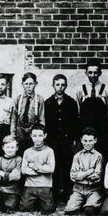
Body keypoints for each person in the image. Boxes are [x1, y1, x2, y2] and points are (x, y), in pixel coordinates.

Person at [45, 74, 79, 203]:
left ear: (66, 86)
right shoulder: (48, 102)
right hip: (53, 140)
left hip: (66, 140)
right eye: (57, 84)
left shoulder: (71, 102)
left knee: (66, 166)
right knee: (55, 166)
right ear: (53, 85)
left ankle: (66, 193)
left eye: (62, 85)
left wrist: (75, 138)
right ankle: (54, 193)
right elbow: (46, 121)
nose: (60, 87)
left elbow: (75, 121)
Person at [76, 59, 108, 160]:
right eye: (90, 72)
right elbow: (78, 110)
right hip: (85, 127)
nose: (93, 75)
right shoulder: (80, 89)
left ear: (100, 73)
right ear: (86, 73)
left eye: (95, 72)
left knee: (102, 153)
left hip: (101, 128)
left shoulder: (106, 89)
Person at [65, 127, 103, 216]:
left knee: (89, 210)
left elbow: (96, 176)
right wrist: (89, 171)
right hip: (78, 189)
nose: (87, 143)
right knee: (70, 210)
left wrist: (81, 174)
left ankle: (90, 203)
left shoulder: (99, 156)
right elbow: (73, 175)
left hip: (93, 189)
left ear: (95, 140)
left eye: (90, 141)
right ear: (81, 140)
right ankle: (80, 202)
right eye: (85, 141)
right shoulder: (77, 156)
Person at [19, 124, 55, 214]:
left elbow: (51, 169)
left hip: (45, 185)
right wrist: (40, 170)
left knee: (48, 210)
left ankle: (43, 202)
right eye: (34, 136)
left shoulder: (49, 151)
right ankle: (34, 202)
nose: (37, 138)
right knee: (25, 208)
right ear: (31, 136)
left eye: (40, 135)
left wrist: (34, 166)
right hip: (30, 185)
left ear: (45, 136)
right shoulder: (27, 152)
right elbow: (23, 170)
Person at [14, 72, 45, 154]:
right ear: (22, 84)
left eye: (31, 84)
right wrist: (13, 133)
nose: (28, 86)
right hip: (20, 130)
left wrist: (40, 134)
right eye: (26, 84)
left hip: (33, 130)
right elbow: (14, 117)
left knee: (32, 153)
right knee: (19, 152)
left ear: (36, 84)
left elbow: (42, 119)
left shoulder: (39, 99)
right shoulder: (18, 99)